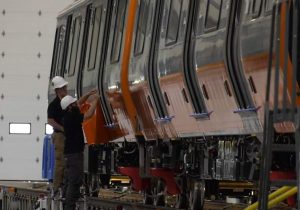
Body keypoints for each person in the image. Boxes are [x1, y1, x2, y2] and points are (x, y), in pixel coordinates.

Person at [60, 92, 99, 210]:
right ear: (69, 107)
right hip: (74, 155)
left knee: (68, 181)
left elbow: (79, 102)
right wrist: (96, 100)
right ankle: (69, 207)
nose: (76, 104)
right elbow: (89, 115)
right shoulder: (72, 117)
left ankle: (66, 205)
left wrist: (88, 94)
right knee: (75, 181)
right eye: (73, 103)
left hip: (69, 155)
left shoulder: (67, 114)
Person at [47, 76, 68, 195]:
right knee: (60, 162)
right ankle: (56, 189)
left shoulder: (68, 102)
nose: (65, 89)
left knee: (68, 162)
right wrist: (62, 128)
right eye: (63, 87)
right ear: (57, 90)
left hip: (67, 135)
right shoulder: (54, 105)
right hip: (59, 136)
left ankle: (65, 186)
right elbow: (50, 121)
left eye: (65, 87)